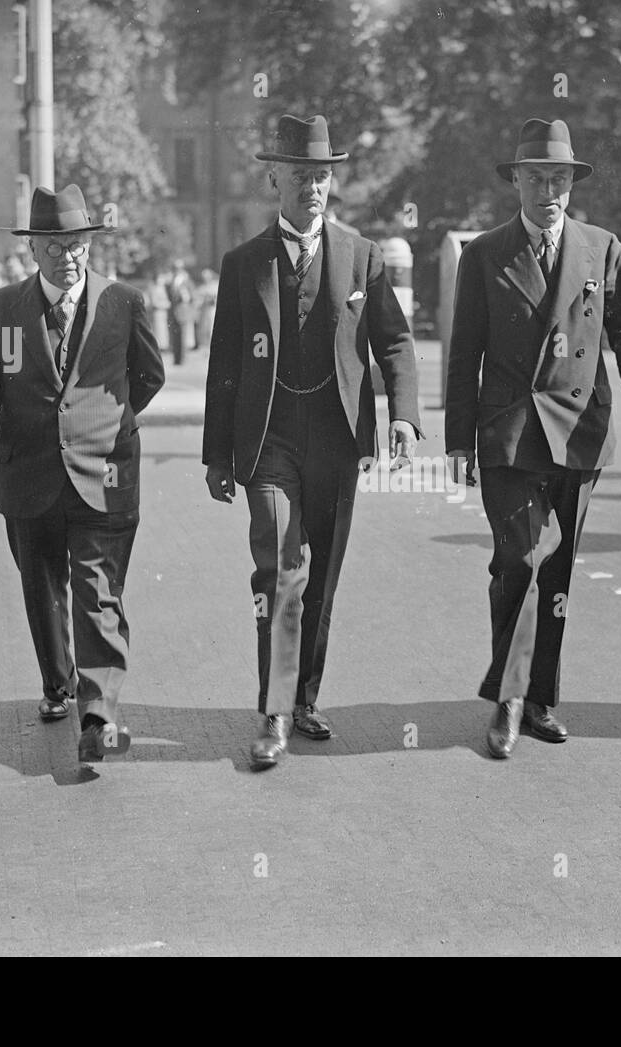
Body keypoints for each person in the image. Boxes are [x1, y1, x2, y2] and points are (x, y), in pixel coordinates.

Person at [202, 114, 421, 770]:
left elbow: (396, 341)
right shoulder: (244, 265)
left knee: (320, 575)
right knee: (280, 568)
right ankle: (271, 713)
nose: (313, 188)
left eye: (323, 176)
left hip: (336, 437)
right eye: (301, 176)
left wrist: (405, 416)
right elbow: (225, 364)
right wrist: (218, 454)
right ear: (276, 181)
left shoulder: (361, 255)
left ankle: (304, 698)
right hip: (268, 441)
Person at [445, 118, 621, 758]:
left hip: (579, 435)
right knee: (522, 558)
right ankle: (508, 700)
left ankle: (541, 697)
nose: (549, 191)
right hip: (510, 435)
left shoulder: (602, 248)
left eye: (560, 179)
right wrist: (459, 441)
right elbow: (464, 357)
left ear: (572, 183)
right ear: (516, 180)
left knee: (559, 569)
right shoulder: (484, 254)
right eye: (537, 178)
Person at [0, 184, 165, 763]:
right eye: (55, 247)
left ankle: (98, 716)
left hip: (105, 476)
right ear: (33, 249)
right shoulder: (3, 307)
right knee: (43, 589)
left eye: (77, 245)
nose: (68, 257)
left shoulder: (125, 302)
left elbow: (148, 376)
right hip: (29, 476)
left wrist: (105, 425)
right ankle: (58, 685)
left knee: (98, 595)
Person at [166, 260, 196, 365]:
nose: (176, 270)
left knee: (182, 336)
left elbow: (192, 296)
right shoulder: (172, 280)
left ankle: (182, 359)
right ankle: (176, 358)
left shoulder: (187, 281)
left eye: (178, 268)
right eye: (175, 268)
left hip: (183, 310)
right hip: (174, 310)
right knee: (175, 335)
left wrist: (185, 296)